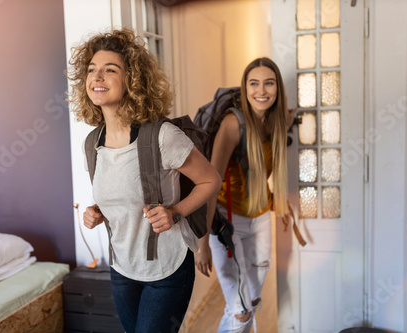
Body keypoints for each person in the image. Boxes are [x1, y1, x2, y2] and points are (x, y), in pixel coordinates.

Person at [67, 28, 222, 333]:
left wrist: (175, 211)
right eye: (91, 70)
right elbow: (124, 191)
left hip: (167, 267)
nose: (97, 77)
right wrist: (97, 210)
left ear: (133, 80)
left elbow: (211, 180)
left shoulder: (162, 137)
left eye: (109, 70)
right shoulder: (92, 143)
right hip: (122, 267)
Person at [194, 57, 294, 332]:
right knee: (239, 313)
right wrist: (202, 244)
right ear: (245, 87)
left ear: (278, 89)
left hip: (261, 220)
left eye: (269, 83)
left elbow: (263, 166)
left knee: (251, 300)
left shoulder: (275, 122)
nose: (261, 91)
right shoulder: (232, 124)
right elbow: (209, 185)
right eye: (254, 83)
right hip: (228, 223)